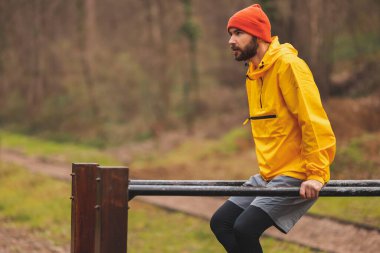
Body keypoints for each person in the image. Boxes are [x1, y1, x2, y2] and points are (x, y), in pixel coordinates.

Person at [210, 4, 336, 253]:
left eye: (237, 33)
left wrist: (316, 174)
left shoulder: (289, 66)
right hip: (269, 175)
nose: (230, 41)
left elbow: (312, 121)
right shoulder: (254, 74)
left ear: (257, 35)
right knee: (222, 223)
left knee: (245, 228)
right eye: (230, 34)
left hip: (296, 172)